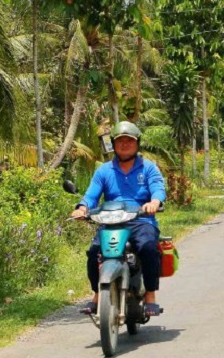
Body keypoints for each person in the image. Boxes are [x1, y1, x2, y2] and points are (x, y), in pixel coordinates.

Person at [70, 121, 166, 318]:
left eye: (129, 141)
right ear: (113, 144)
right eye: (120, 141)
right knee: (94, 253)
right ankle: (97, 295)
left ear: (137, 143)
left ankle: (150, 296)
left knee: (149, 248)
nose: (124, 145)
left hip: (141, 220)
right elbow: (91, 195)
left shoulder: (148, 168)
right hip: (111, 221)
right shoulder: (104, 171)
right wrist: (82, 208)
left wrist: (154, 202)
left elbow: (158, 188)